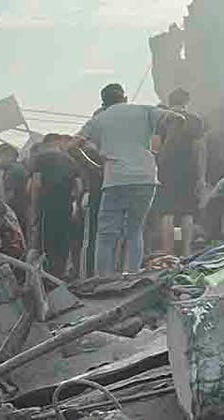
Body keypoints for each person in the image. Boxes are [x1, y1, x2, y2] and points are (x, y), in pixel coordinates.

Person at [72, 83, 179, 276]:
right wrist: (162, 149)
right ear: (125, 98)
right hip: (145, 178)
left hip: (116, 180)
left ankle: (103, 279)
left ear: (103, 103)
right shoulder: (145, 110)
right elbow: (177, 119)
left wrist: (94, 166)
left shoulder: (98, 119)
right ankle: (132, 274)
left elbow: (72, 146)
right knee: (135, 229)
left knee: (106, 235)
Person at [156, 88, 206, 257]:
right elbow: (200, 149)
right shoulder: (195, 120)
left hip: (165, 170)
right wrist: (201, 176)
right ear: (187, 101)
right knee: (187, 212)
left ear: (170, 101)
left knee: (166, 212)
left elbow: (155, 146)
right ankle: (186, 253)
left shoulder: (161, 118)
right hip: (189, 170)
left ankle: (167, 252)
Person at [30, 135, 83, 277]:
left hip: (46, 207)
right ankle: (60, 273)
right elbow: (78, 187)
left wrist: (34, 209)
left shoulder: (40, 158)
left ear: (46, 143)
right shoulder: (70, 160)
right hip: (66, 207)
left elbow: (36, 184)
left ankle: (46, 276)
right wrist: (76, 206)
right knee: (63, 241)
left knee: (45, 242)